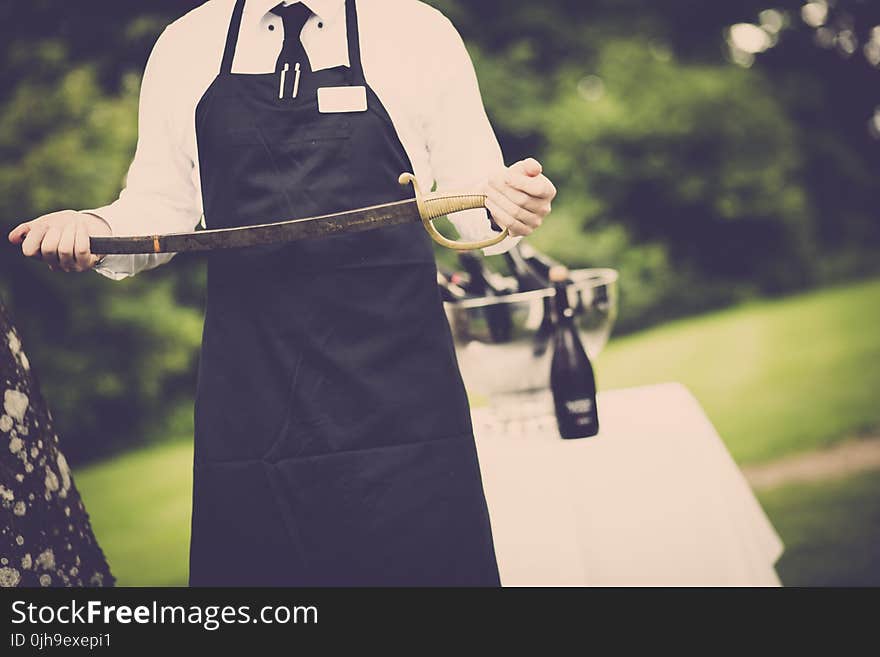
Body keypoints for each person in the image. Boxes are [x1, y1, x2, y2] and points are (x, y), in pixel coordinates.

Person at [8, 0, 556, 586]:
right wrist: (96, 228)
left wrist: (507, 203)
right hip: (254, 398)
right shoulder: (184, 44)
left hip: (404, 396)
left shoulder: (416, 28)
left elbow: (475, 201)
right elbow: (159, 208)